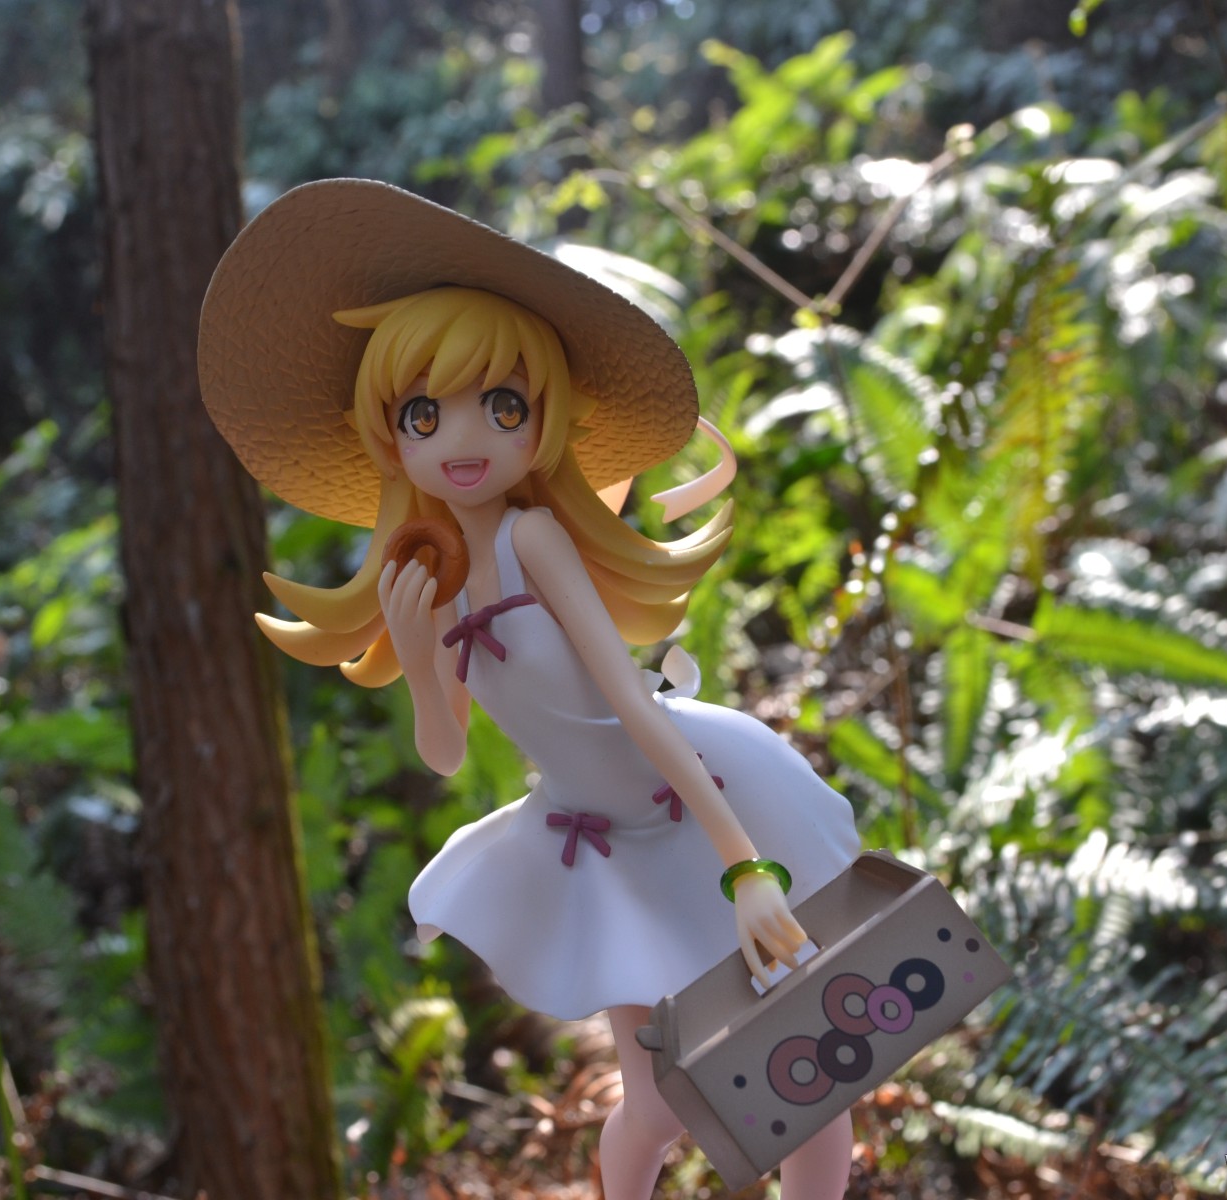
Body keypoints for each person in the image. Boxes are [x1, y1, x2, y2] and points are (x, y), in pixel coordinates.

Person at [198, 178, 864, 1200]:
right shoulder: (431, 579)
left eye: (500, 407)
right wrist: (419, 657)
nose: (462, 440)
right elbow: (444, 752)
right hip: (595, 844)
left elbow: (632, 704)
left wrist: (747, 868)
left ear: (542, 421)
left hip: (695, 802)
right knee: (656, 1107)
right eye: (425, 414)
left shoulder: (533, 537)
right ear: (389, 436)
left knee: (811, 1074)